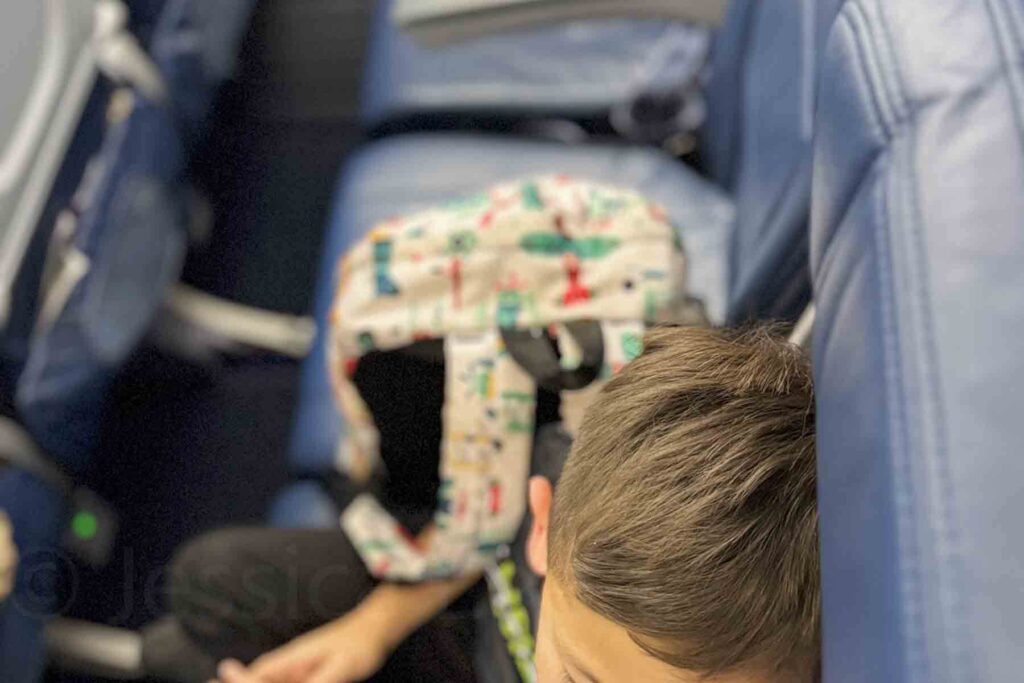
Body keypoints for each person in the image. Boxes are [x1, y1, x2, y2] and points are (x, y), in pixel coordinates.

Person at [208, 324, 819, 683]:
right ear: (543, 523)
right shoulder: (585, 490)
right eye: (581, 679)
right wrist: (368, 630)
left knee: (178, 651)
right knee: (212, 579)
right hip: (472, 627)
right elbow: (489, 530)